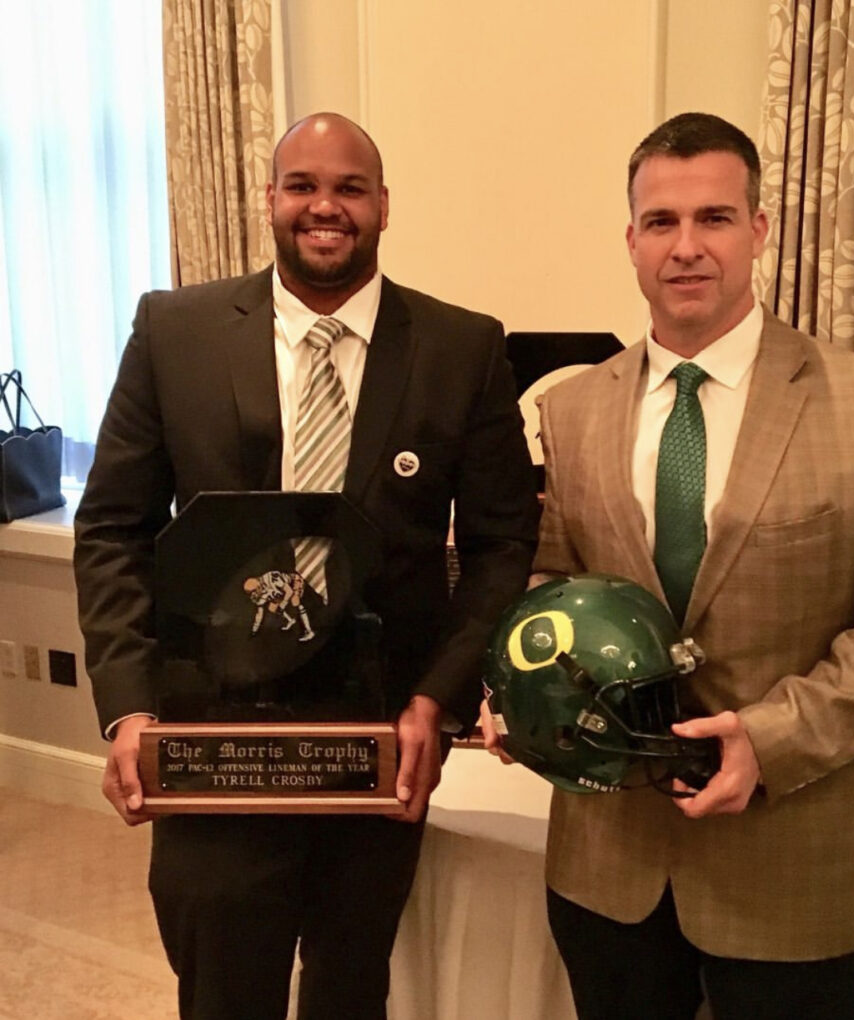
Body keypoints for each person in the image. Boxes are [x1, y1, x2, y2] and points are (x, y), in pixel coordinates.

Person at [481, 112, 854, 1019]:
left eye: (714, 218)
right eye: (661, 223)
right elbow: (554, 585)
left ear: (759, 230)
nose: (687, 248)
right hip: (608, 865)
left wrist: (770, 737)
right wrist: (522, 688)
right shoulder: (574, 409)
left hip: (792, 869)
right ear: (631, 240)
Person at [74, 112, 538, 1019]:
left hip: (376, 748)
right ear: (272, 199)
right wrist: (128, 706)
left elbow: (500, 546)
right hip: (212, 744)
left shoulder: (464, 348)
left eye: (350, 188)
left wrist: (436, 701)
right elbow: (113, 528)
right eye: (304, 186)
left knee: (349, 989)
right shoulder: (175, 332)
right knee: (222, 993)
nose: (326, 207)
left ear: (384, 206)